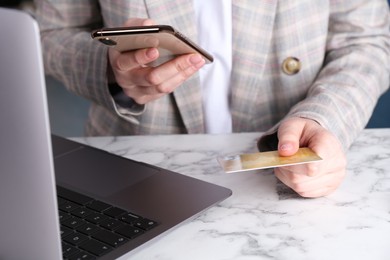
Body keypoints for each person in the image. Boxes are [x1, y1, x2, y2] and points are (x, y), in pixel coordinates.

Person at [34, 0, 390, 198]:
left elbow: (366, 41)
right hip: (131, 168)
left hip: (286, 173)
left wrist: (323, 118)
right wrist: (111, 71)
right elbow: (50, 32)